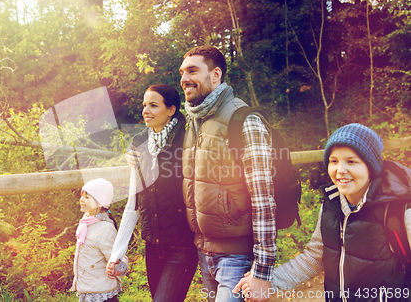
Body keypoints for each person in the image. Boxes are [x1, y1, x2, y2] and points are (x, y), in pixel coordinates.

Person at [239, 123, 411, 301]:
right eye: (334, 161)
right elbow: (315, 257)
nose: (340, 170)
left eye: (351, 161)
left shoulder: (399, 208)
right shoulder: (331, 205)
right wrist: (266, 280)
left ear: (370, 167)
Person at [179, 45, 276, 302]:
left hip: (237, 256)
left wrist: (263, 270)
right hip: (204, 251)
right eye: (182, 72)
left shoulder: (243, 119)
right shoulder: (194, 121)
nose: (184, 79)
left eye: (192, 70)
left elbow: (263, 197)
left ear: (215, 74)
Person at [107, 84, 198, 302]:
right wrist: (117, 253)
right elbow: (133, 205)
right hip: (153, 246)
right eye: (144, 105)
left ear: (171, 110)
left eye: (153, 105)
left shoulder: (188, 142)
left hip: (182, 246)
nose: (145, 111)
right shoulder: (139, 145)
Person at [70, 178, 125, 302]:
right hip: (87, 289)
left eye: (87, 197)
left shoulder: (105, 228)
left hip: (101, 292)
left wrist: (116, 266)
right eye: (82, 195)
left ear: (100, 203)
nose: (81, 200)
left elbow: (118, 256)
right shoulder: (86, 222)